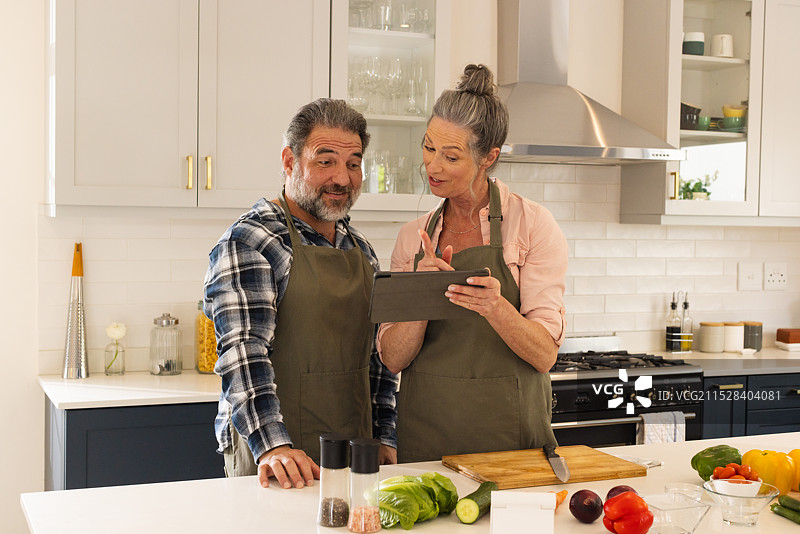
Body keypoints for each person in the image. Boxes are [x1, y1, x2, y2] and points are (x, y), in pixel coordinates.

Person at [204, 98, 399, 489]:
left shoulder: (361, 249)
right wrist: (274, 447)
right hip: (276, 459)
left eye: (353, 163)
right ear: (289, 162)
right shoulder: (252, 240)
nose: (342, 179)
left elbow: (378, 360)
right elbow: (244, 352)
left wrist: (385, 434)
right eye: (325, 161)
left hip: (351, 449)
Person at [377, 65, 568, 463]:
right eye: (428, 148)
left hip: (511, 440)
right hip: (428, 438)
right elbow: (392, 359)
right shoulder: (413, 237)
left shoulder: (531, 226)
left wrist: (495, 308)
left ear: (488, 158)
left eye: (450, 156)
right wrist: (421, 300)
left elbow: (545, 355)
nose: (432, 166)